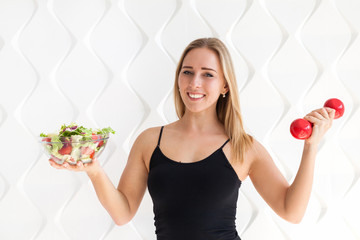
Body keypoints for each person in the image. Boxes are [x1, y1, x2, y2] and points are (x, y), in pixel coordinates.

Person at [49, 37, 335, 240]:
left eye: (207, 74)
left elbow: (291, 211)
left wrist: (311, 148)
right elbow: (123, 214)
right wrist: (94, 170)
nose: (194, 82)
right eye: (187, 72)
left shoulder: (243, 147)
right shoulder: (150, 141)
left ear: (224, 85)